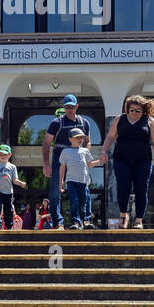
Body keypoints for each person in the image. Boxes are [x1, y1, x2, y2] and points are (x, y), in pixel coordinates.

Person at [98, 94, 154, 230]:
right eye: (131, 110)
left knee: (141, 189)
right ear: (127, 109)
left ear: (143, 111)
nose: (134, 113)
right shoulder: (119, 119)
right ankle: (123, 215)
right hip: (122, 159)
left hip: (143, 160)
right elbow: (110, 136)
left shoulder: (149, 121)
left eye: (137, 111)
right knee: (123, 187)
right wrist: (104, 151)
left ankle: (139, 220)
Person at [42, 95, 95, 229]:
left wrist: (85, 155)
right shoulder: (56, 122)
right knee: (55, 193)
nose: (69, 109)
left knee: (84, 192)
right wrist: (46, 164)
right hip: (59, 162)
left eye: (71, 107)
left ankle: (84, 220)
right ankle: (58, 223)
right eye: (66, 107)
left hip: (77, 163)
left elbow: (88, 142)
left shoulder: (84, 123)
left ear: (77, 106)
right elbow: (46, 143)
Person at [58, 129, 102, 230]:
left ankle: (86, 221)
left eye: (81, 137)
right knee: (74, 201)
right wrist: (60, 182)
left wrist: (100, 161)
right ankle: (75, 221)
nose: (80, 139)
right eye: (77, 137)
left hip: (83, 181)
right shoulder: (66, 152)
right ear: (70, 139)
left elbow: (89, 164)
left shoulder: (85, 151)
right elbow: (62, 167)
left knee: (85, 201)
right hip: (71, 181)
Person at [0, 144, 26, 230]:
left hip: (8, 192)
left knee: (8, 209)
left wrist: (20, 183)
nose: (3, 156)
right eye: (1, 155)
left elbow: (14, 180)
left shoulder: (12, 167)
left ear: (9, 155)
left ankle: (9, 225)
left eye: (5, 155)